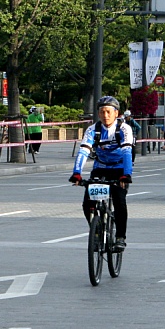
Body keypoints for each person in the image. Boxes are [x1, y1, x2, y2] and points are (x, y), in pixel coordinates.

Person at [69, 96, 133, 252]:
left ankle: (120, 237)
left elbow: (127, 152)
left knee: (119, 202)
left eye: (108, 112)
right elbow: (84, 150)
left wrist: (126, 174)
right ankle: (96, 230)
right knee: (87, 203)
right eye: (102, 112)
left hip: (119, 169)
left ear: (116, 113)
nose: (105, 115)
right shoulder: (92, 130)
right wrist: (77, 173)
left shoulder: (124, 129)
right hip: (100, 167)